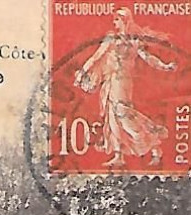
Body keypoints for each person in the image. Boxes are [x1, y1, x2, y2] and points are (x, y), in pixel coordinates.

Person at [73, 8, 176, 169]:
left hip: (124, 82)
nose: (115, 23)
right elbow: (96, 56)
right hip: (112, 80)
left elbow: (148, 58)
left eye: (117, 20)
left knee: (123, 114)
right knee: (112, 115)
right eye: (114, 20)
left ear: (125, 21)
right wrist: (82, 73)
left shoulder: (135, 40)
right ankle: (119, 155)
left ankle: (153, 142)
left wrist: (165, 66)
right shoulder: (111, 38)